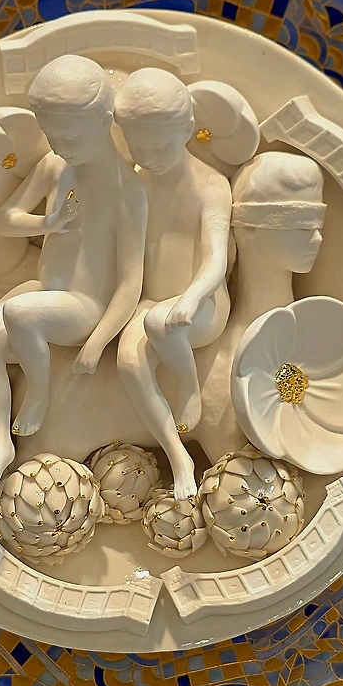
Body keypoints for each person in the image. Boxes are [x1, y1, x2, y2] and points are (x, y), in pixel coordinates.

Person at [0, 55, 146, 491]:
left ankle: (39, 395)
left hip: (85, 306)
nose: (61, 145)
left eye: (71, 136)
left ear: (104, 120)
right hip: (45, 289)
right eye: (52, 135)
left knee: (21, 313)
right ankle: (1, 442)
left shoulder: (127, 190)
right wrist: (47, 223)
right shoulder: (55, 167)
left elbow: (131, 281)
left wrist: (97, 341)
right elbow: (5, 219)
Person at [114, 68, 233, 499]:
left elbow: (216, 258)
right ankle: (178, 455)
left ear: (185, 129)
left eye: (159, 145)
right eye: (137, 146)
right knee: (130, 362)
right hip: (150, 303)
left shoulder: (211, 185)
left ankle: (189, 387)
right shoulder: (136, 181)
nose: (148, 156)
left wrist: (194, 296)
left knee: (161, 324)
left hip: (202, 305)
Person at [197, 151, 327, 464]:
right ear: (248, 229)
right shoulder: (218, 366)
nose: (318, 238)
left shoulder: (323, 348)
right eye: (300, 226)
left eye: (318, 224)